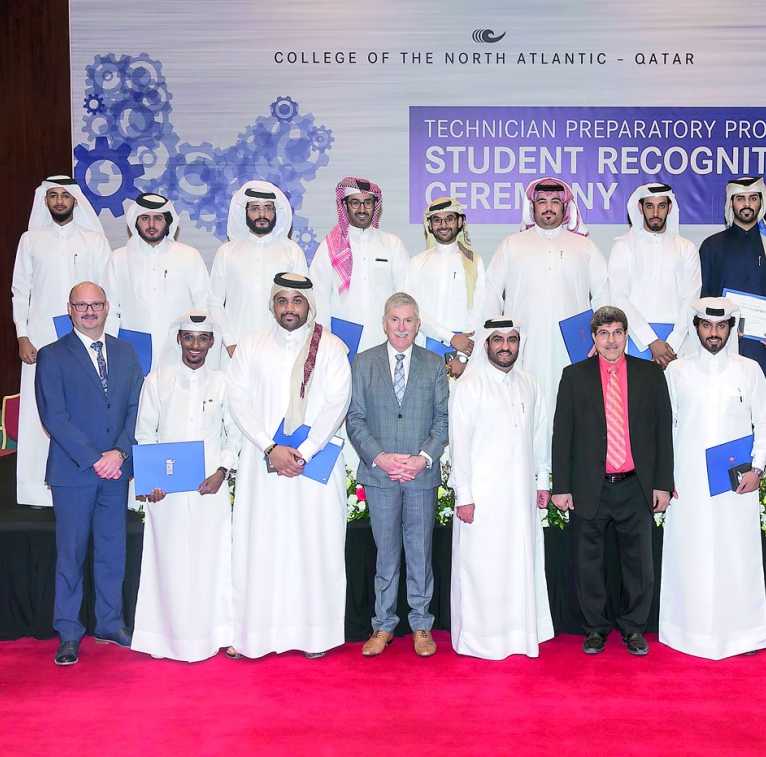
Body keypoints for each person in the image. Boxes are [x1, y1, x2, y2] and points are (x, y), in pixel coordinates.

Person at [225, 273, 352, 659]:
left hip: (312, 468)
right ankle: (256, 636)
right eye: (282, 301)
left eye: (297, 302)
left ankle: (315, 635)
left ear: (309, 306)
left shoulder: (330, 348)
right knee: (260, 546)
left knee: (315, 546)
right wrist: (269, 447)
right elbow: (238, 400)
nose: (289, 308)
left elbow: (337, 402)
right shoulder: (250, 346)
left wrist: (305, 452)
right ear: (271, 305)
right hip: (262, 464)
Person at [551, 306, 673, 656]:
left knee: (639, 566)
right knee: (588, 564)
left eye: (618, 332)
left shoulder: (650, 375)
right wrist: (561, 487)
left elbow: (662, 433)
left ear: (626, 335)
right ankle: (595, 629)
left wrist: (662, 483)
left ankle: (634, 629)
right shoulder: (574, 376)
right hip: (591, 486)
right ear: (594, 337)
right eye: (603, 334)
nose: (611, 340)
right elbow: (563, 435)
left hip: (636, 486)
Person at [34, 282, 143, 665]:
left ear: (107, 307)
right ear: (69, 309)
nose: (89, 311)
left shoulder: (126, 352)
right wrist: (97, 457)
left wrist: (120, 452)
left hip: (116, 470)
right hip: (74, 472)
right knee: (71, 554)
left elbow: (136, 407)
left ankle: (111, 623)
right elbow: (54, 417)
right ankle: (68, 632)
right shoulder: (52, 356)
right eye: (81, 305)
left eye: (95, 304)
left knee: (112, 551)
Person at [660, 297, 766, 660]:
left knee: (736, 552)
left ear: (731, 328)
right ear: (696, 328)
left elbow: (765, 424)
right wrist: (666, 477)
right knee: (689, 552)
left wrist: (758, 469)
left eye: (721, 326)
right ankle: (685, 631)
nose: (714, 333)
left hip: (736, 483)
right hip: (688, 480)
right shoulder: (677, 372)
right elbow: (666, 428)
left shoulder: (750, 370)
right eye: (707, 326)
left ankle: (742, 634)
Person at [131, 310, 239, 662]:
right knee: (170, 560)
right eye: (189, 337)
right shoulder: (156, 380)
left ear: (212, 342)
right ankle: (167, 637)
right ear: (177, 339)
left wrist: (223, 470)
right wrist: (152, 481)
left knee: (212, 558)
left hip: (210, 485)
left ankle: (216, 633)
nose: (195, 345)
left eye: (203, 338)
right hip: (167, 490)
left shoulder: (224, 382)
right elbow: (145, 434)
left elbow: (232, 433)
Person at [346, 292, 448, 658]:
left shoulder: (435, 364)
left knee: (420, 553)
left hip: (420, 475)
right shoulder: (362, 362)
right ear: (384, 322)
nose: (402, 327)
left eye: (408, 321)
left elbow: (443, 420)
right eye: (395, 320)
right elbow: (354, 419)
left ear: (418, 325)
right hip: (380, 475)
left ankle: (421, 624)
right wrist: (381, 458)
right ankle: (383, 625)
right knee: (385, 555)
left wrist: (422, 458)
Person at [449, 318, 554, 659]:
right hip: (483, 499)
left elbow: (540, 438)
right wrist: (464, 496)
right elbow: (459, 445)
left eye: (512, 339)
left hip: (521, 496)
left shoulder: (530, 384)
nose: (505, 346)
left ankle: (520, 636)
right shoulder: (470, 386)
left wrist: (542, 481)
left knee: (520, 563)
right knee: (482, 566)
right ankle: (482, 640)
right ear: (486, 345)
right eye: (498, 340)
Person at [485, 177, 609, 448]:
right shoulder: (511, 245)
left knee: (569, 409)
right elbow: (491, 291)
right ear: (532, 208)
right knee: (523, 410)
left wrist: (600, 339)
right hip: (523, 348)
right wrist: (496, 337)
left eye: (555, 202)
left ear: (566, 209)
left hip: (572, 349)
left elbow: (602, 295)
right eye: (542, 202)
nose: (548, 208)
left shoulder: (586, 247)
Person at [12, 175, 112, 507]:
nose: (58, 201)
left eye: (64, 196)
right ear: (45, 201)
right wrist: (22, 334)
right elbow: (20, 290)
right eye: (52, 196)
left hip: (87, 335)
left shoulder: (94, 240)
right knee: (40, 412)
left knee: (86, 408)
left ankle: (89, 480)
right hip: (41, 338)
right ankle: (36, 490)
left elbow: (107, 291)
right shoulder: (31, 240)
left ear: (75, 201)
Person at [698, 176, 766, 462]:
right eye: (740, 199)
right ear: (731, 203)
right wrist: (720, 330)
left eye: (753, 198)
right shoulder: (712, 246)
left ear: (761, 203)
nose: (747, 205)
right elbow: (706, 297)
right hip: (727, 347)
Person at [102, 193, 210, 372]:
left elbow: (203, 305)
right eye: (145, 218)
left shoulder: (188, 255)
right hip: (133, 351)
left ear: (167, 222)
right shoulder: (118, 258)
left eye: (158, 218)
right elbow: (110, 311)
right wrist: (109, 353)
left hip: (179, 349)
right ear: (136, 221)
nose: (151, 225)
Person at [207, 180, 309, 357]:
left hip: (279, 351)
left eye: (268, 208)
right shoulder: (227, 252)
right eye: (255, 209)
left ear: (275, 212)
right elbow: (214, 302)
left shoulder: (292, 252)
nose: (262, 214)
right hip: (234, 351)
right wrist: (230, 342)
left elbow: (302, 302)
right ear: (245, 212)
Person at [311, 176, 410, 355]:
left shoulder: (392, 244)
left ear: (375, 205)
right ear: (345, 205)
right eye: (355, 203)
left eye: (368, 203)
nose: (362, 209)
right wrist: (325, 340)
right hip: (342, 339)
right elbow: (319, 297)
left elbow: (405, 295)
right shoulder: (330, 246)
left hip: (384, 339)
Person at [608, 182, 702, 367]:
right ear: (640, 208)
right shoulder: (623, 247)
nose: (656, 213)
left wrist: (671, 344)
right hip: (636, 338)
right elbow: (619, 297)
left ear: (670, 208)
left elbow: (691, 299)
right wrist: (651, 341)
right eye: (650, 206)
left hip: (678, 342)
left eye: (662, 206)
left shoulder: (686, 248)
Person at [403, 197, 485, 378]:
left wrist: (462, 357)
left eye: (449, 219)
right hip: (424, 347)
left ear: (460, 222)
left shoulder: (475, 262)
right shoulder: (417, 262)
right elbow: (413, 310)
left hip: (465, 354)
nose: (443, 225)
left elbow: (478, 312)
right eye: (437, 220)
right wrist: (450, 338)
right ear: (429, 225)